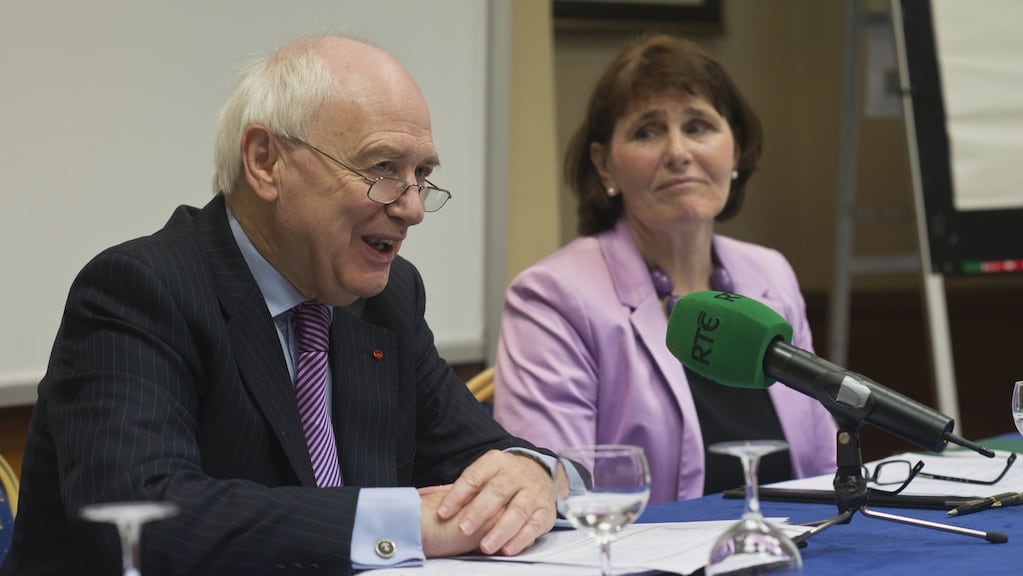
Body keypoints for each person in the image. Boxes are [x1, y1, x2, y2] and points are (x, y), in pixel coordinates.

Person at [1, 35, 558, 575]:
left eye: (422, 175)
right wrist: (403, 524)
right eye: (383, 168)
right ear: (265, 161)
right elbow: (144, 519)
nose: (412, 208)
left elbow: (488, 454)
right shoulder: (142, 290)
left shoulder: (387, 299)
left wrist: (532, 472)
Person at [493, 34, 837, 504]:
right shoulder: (553, 296)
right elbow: (556, 493)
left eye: (698, 126)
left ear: (736, 149)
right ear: (604, 166)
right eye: (647, 132)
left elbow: (824, 467)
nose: (678, 152)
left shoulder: (769, 274)